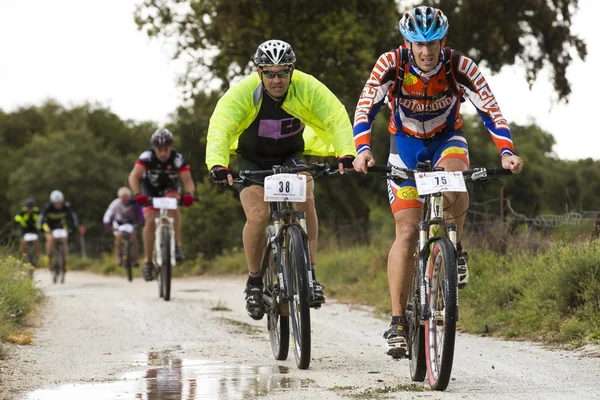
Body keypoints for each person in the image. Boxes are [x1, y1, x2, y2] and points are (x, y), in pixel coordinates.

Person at [352, 6, 524, 358]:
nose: (426, 51)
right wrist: (362, 149)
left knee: (455, 177)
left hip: (448, 139)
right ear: (407, 42)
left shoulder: (460, 66)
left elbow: (490, 109)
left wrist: (506, 151)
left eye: (432, 43)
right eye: (418, 44)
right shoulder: (391, 64)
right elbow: (365, 105)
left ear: (443, 41)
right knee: (405, 231)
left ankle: (455, 248)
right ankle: (398, 321)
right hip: (405, 146)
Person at [206, 39, 356, 320]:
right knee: (259, 215)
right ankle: (253, 282)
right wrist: (218, 164)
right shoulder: (243, 93)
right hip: (253, 160)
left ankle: (309, 275)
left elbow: (335, 116)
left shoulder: (307, 86)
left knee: (306, 197)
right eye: (270, 73)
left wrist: (347, 153)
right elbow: (221, 127)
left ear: (292, 70)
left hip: (291, 155)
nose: (277, 80)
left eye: (283, 72)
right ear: (259, 72)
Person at [128, 128, 196, 281]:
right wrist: (137, 194)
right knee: (150, 220)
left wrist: (190, 195)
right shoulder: (147, 157)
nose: (163, 153)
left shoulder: (178, 158)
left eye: (166, 149)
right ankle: (147, 262)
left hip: (170, 188)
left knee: (174, 204)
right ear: (154, 148)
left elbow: (188, 181)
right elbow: (133, 176)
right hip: (149, 188)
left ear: (171, 147)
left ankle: (177, 246)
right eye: (160, 150)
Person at [37, 190, 79, 269]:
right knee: (50, 239)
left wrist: (73, 227)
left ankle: (66, 261)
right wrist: (40, 227)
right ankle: (48, 257)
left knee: (64, 240)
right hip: (49, 227)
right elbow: (41, 218)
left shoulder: (66, 206)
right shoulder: (48, 207)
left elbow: (73, 217)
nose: (59, 205)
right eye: (56, 203)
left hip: (61, 226)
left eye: (60, 203)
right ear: (52, 202)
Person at [103, 186, 144, 266]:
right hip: (118, 223)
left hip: (130, 223)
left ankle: (136, 259)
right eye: (123, 198)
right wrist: (106, 224)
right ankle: (119, 255)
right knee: (118, 238)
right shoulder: (115, 203)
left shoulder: (134, 203)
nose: (125, 200)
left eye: (126, 198)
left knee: (134, 238)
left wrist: (141, 221)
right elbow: (108, 214)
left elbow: (140, 212)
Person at [14, 198, 41, 265]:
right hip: (25, 230)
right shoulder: (23, 212)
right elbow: (16, 218)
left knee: (36, 241)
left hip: (34, 230)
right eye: (29, 208)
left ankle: (38, 256)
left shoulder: (37, 211)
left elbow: (41, 218)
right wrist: (17, 223)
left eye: (31, 208)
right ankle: (21, 258)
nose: (30, 209)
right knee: (23, 242)